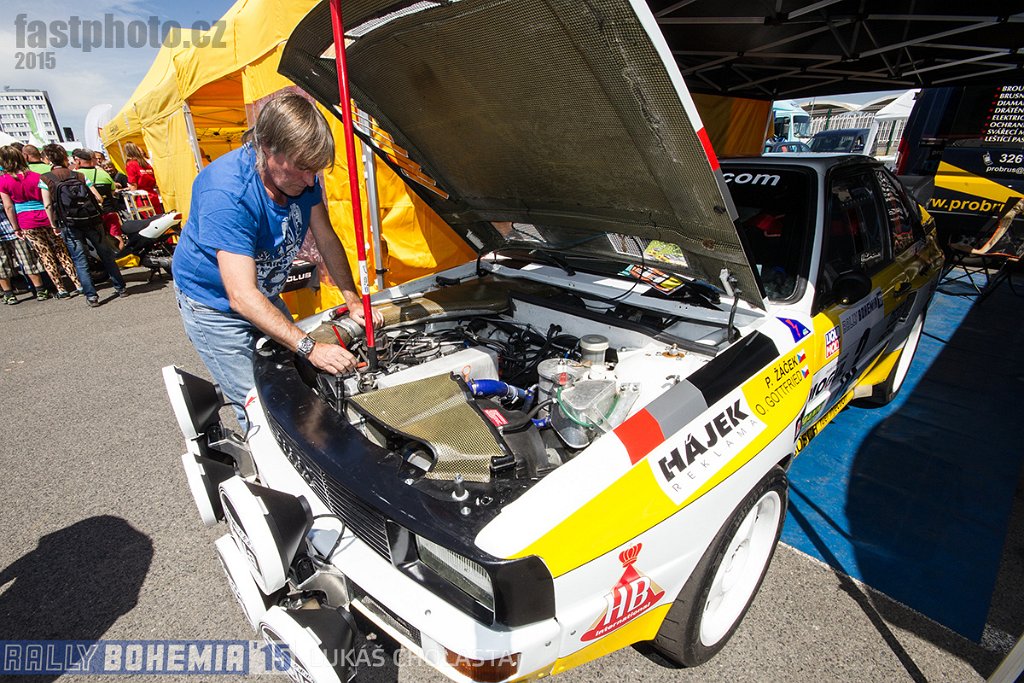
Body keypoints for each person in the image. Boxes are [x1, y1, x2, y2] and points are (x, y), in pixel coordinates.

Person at [172, 92, 381, 428]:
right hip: (216, 307)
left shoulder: (303, 178)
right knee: (261, 404)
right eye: (302, 168)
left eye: (315, 170)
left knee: (297, 379)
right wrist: (311, 348)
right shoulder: (226, 192)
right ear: (267, 148)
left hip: (262, 294)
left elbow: (326, 237)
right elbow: (242, 296)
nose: (311, 181)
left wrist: (351, 298)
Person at [40, 144, 128, 307]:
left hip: (69, 223)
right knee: (105, 254)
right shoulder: (79, 175)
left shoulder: (46, 179)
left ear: (48, 159)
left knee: (80, 259)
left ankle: (92, 296)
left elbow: (48, 205)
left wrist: (54, 225)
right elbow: (98, 198)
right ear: (65, 158)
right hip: (92, 220)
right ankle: (121, 288)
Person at [0, 145, 81, 300]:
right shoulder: (37, 176)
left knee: (45, 255)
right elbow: (47, 199)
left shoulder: (3, 181)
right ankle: (78, 284)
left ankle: (61, 288)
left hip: (26, 221)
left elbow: (8, 207)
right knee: (61, 251)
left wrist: (15, 228)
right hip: (45, 216)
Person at [72, 148, 125, 248]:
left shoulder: (76, 175)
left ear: (78, 161)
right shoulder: (103, 173)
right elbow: (113, 190)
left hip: (91, 214)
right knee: (117, 236)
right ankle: (121, 256)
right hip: (109, 210)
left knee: (100, 240)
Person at [0, 205, 45, 304]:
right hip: (13, 229)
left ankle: (10, 295)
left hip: (13, 229)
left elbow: (8, 206)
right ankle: (40, 290)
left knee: (5, 264)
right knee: (26, 259)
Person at [123, 142, 163, 214]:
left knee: (149, 218)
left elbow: (133, 184)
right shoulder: (146, 164)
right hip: (153, 194)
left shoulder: (131, 164)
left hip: (142, 196)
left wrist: (132, 201)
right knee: (159, 216)